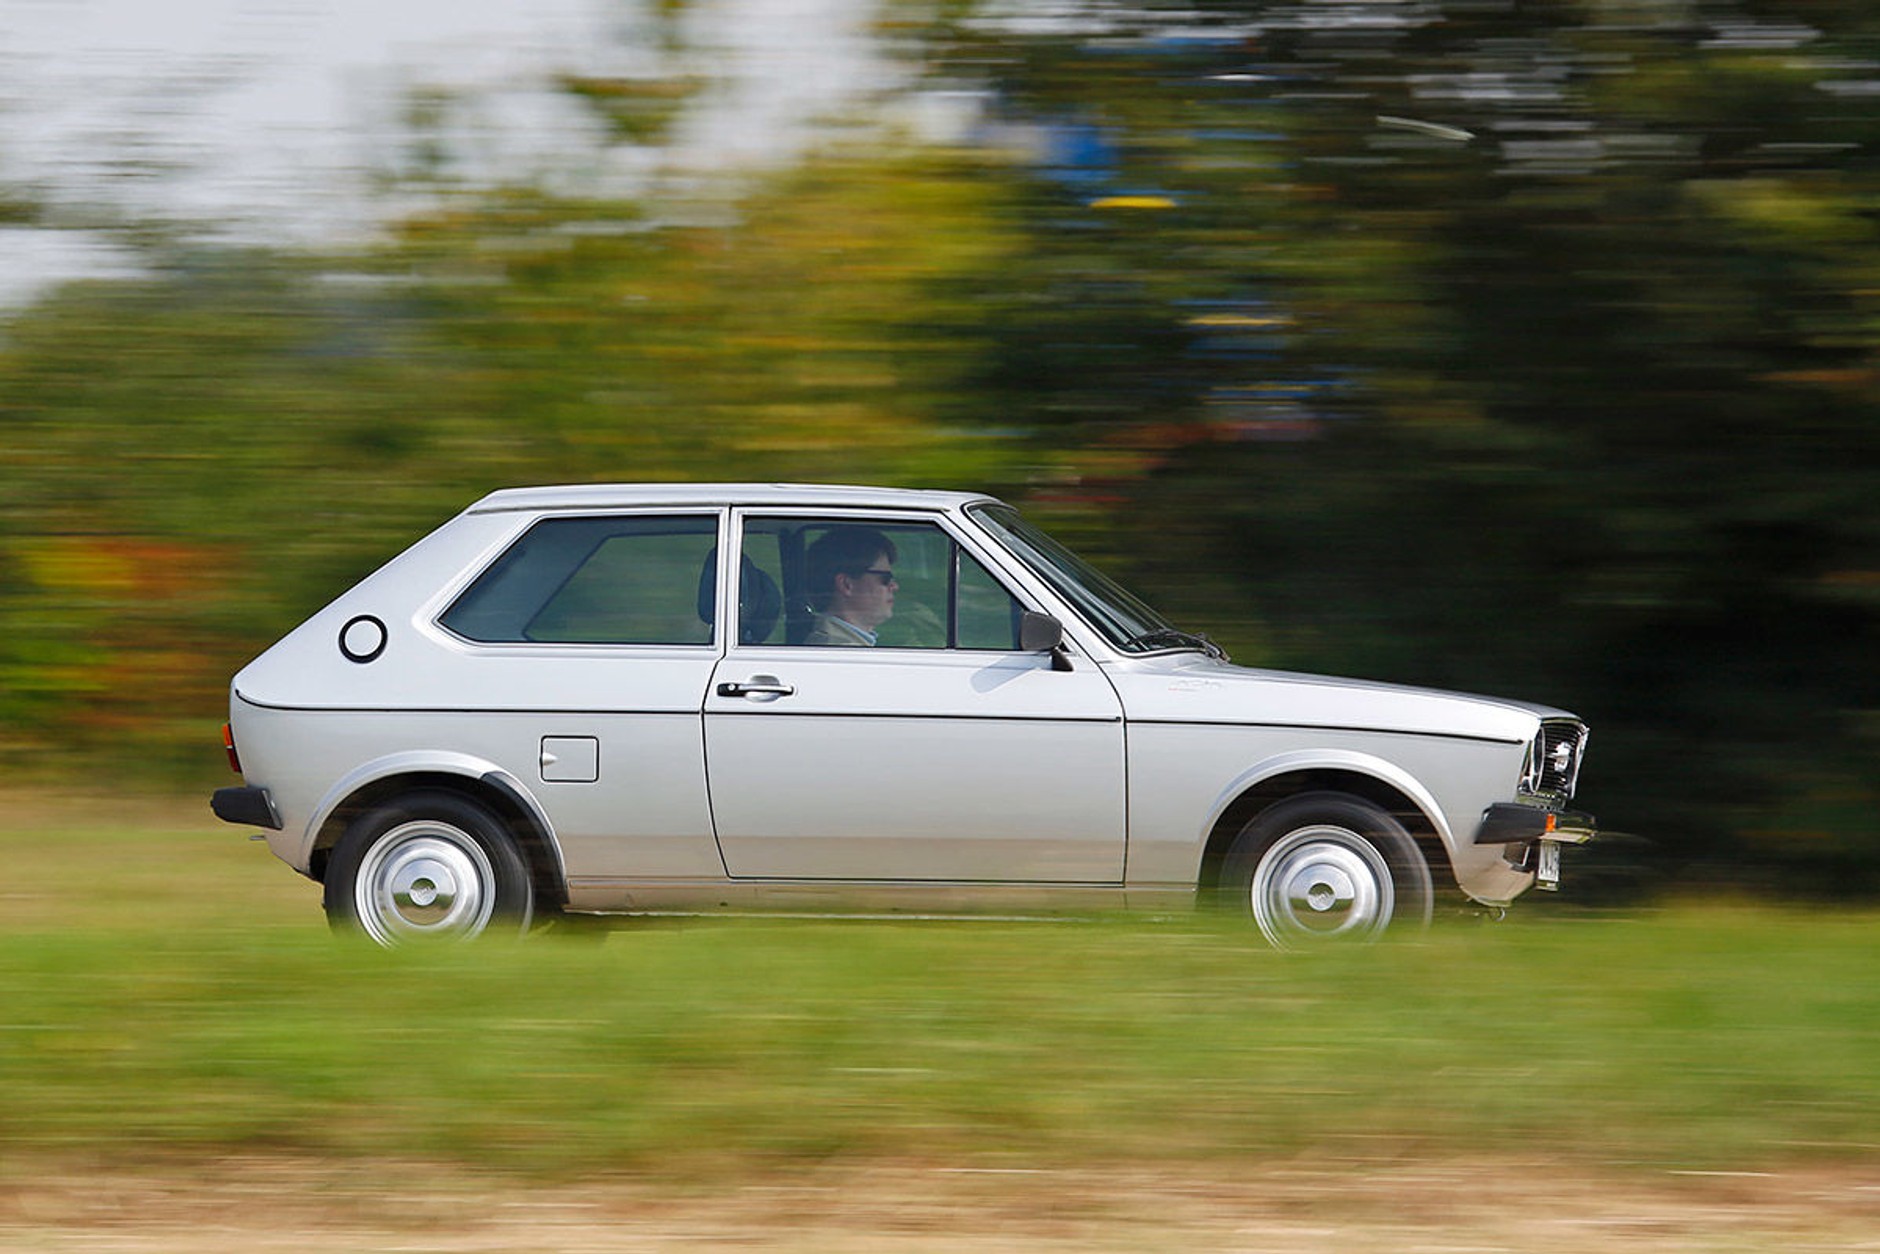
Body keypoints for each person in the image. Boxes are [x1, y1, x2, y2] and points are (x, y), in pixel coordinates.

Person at [802, 526, 897, 646]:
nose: (894, 586)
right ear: (846, 585)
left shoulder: (839, 646)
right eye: (885, 578)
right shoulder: (841, 653)